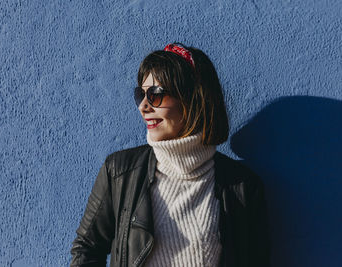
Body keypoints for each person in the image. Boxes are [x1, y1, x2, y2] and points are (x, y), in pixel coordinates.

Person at [70, 43, 270, 267]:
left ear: (192, 99)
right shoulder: (119, 172)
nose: (144, 106)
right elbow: (86, 249)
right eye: (141, 94)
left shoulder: (242, 187)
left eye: (156, 95)